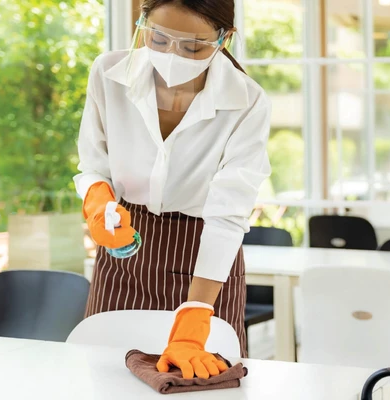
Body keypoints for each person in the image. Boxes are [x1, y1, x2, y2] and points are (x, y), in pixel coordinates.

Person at [73, 0, 271, 380]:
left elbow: (229, 212)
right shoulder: (108, 74)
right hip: (125, 251)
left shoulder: (248, 101)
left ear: (223, 39)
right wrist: (99, 203)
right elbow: (94, 165)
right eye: (158, 39)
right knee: (106, 377)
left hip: (205, 252)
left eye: (193, 47)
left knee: (202, 382)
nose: (171, 55)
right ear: (142, 23)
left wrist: (195, 316)